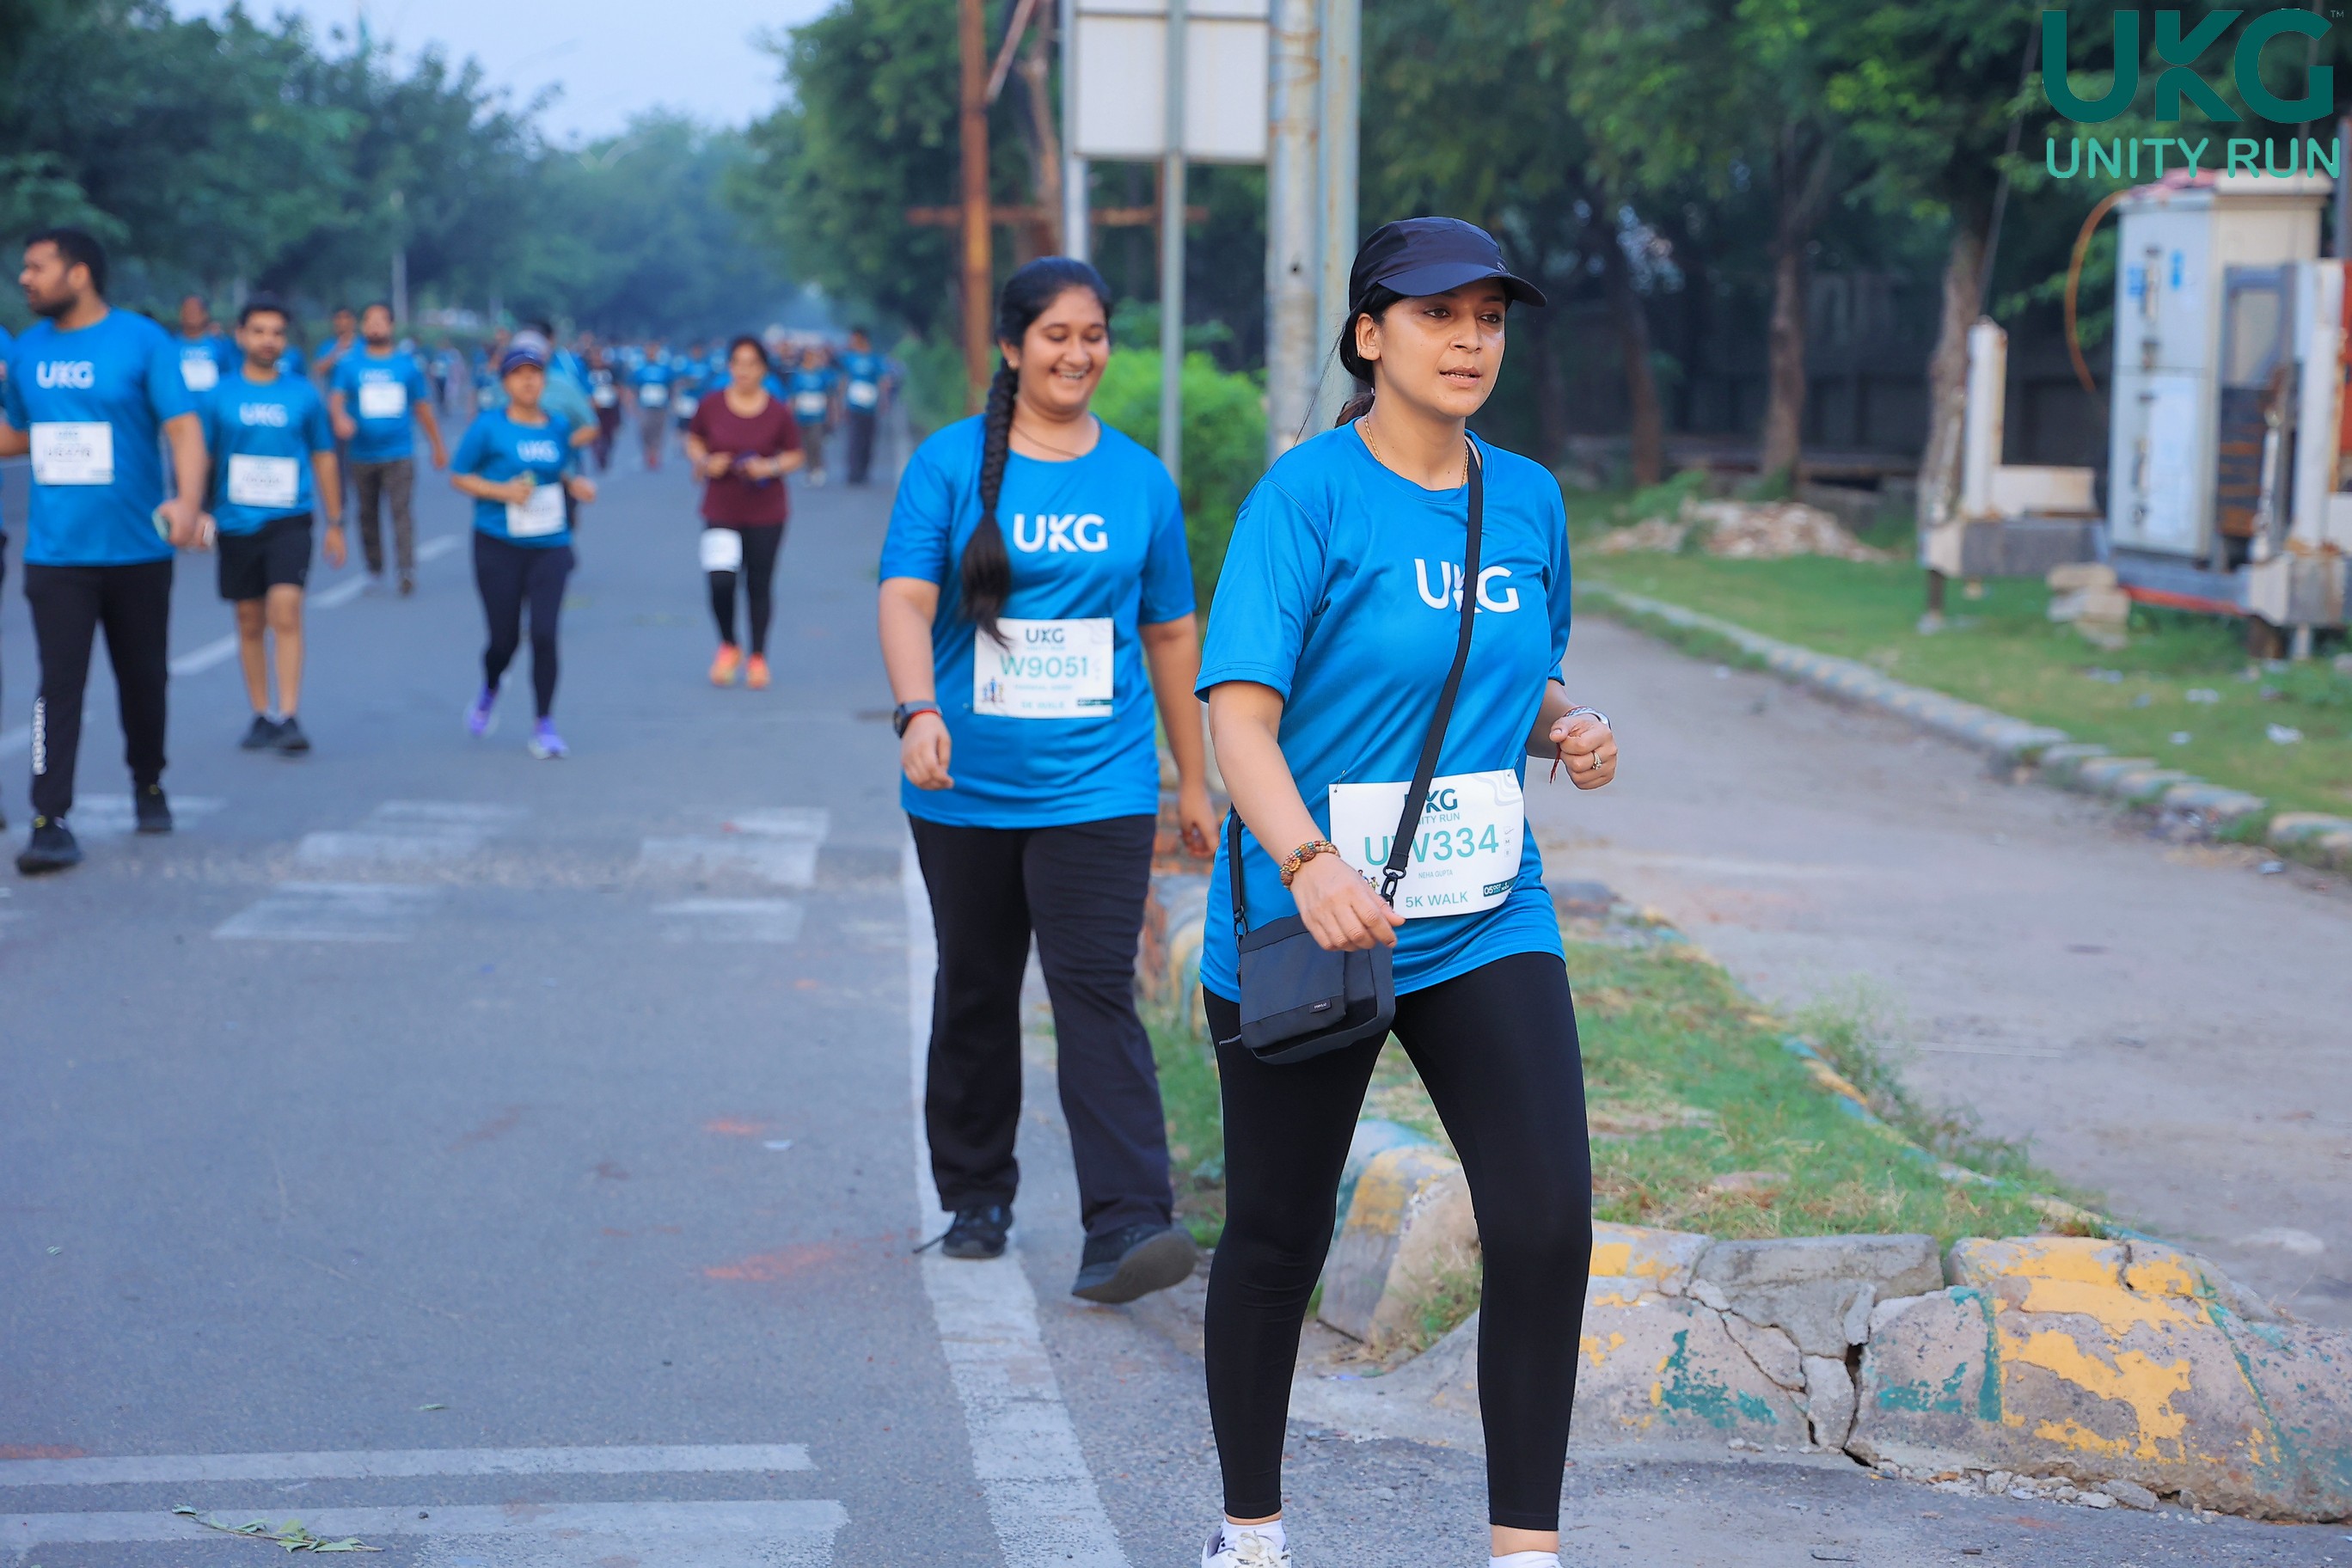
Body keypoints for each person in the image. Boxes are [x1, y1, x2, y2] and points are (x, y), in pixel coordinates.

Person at [1191, 217, 1619, 1568]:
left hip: (1486, 910)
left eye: (1490, 319)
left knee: (1546, 1222)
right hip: (1310, 919)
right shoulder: (1305, 499)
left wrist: (1566, 726)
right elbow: (1239, 721)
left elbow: (1515, 672)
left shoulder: (1528, 499)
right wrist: (1307, 864)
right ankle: (1250, 1534)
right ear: (1370, 335)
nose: (1471, 341)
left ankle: (1524, 1553)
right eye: (1440, 315)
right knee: (1277, 1237)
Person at [879, 257, 1216, 1304]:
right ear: (1013, 347)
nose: (1079, 354)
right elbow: (904, 599)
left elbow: (1170, 633)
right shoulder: (947, 465)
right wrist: (918, 710)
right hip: (965, 783)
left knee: (1095, 991)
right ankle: (976, 1196)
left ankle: (1128, 1224)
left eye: (1094, 335)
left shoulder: (1138, 480)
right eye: (1058, 335)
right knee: (977, 986)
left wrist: (1193, 780)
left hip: (1100, 784)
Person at [0, 228, 208, 874]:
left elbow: (183, 429)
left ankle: (148, 781)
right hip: (57, 554)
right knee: (56, 688)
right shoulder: (27, 350)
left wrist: (188, 502)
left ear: (79, 273)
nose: (24, 279)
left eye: (37, 267)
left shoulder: (142, 341)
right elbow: (16, 435)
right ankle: (49, 820)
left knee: (143, 680)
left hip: (137, 550)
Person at [200, 297, 344, 754]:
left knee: (286, 609)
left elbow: (323, 455)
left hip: (290, 519)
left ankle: (289, 714)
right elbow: (202, 457)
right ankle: (261, 713)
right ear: (241, 336)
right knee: (249, 619)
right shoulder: (218, 396)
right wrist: (198, 511)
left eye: (277, 333)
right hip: (236, 522)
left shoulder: (303, 394)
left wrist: (335, 520)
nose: (268, 340)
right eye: (259, 331)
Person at [450, 335, 595, 760]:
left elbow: (558, 469)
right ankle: (490, 688)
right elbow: (459, 475)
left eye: (535, 374)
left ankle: (544, 724)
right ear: (506, 383)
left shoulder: (557, 426)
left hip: (550, 543)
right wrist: (502, 492)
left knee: (546, 634)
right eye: (518, 375)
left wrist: (575, 484)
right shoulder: (488, 427)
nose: (528, 382)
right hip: (498, 543)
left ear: (544, 381)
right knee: (504, 640)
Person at [685, 335, 805, 689]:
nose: (744, 371)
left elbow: (795, 454)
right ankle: (728, 644)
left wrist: (769, 467)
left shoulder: (778, 411)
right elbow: (694, 440)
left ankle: (758, 656)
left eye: (752, 364)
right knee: (720, 579)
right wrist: (705, 462)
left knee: (758, 583)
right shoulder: (711, 405)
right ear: (730, 367)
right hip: (721, 506)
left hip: (766, 511)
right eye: (738, 363)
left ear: (763, 370)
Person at [328, 302, 446, 597]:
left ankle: (406, 569)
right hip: (362, 454)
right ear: (363, 326)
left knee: (400, 512)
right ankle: (374, 568)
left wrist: (437, 445)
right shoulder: (349, 364)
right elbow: (336, 399)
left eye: (381, 321)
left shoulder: (407, 365)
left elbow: (422, 407)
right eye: (370, 320)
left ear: (391, 326)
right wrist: (340, 418)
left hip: (399, 452)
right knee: (367, 513)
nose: (375, 326)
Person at [839, 327, 891, 486]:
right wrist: (842, 403)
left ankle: (864, 471)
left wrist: (884, 400)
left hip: (870, 406)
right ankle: (854, 472)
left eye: (854, 340)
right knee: (854, 439)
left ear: (862, 339)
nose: (851, 343)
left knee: (868, 440)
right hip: (854, 405)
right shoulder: (849, 359)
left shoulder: (875, 359)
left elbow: (883, 381)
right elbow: (844, 380)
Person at [786, 345, 838, 486]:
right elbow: (793, 397)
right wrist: (790, 415)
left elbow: (829, 396)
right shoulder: (798, 375)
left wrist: (832, 414)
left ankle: (818, 468)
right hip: (802, 416)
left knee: (816, 442)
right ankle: (809, 470)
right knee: (805, 445)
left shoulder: (822, 375)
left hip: (818, 416)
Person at [173, 294, 238, 396]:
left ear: (205, 314)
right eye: (187, 310)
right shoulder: (170, 345)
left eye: (195, 311)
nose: (191, 314)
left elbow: (230, 376)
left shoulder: (220, 345)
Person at [630, 344, 673, 469]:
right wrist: (633, 406)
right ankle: (648, 450)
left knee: (658, 430)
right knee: (645, 429)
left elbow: (671, 387)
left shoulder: (665, 369)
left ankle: (655, 453)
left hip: (661, 405)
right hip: (645, 405)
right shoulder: (640, 369)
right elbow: (633, 388)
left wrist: (672, 402)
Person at [585, 346, 622, 472]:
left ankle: (606, 453)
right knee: (594, 433)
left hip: (609, 406)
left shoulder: (611, 371)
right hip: (593, 408)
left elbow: (618, 387)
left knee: (608, 434)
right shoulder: (587, 372)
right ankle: (598, 454)